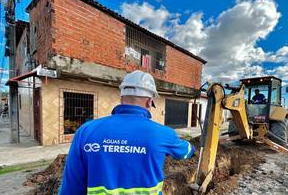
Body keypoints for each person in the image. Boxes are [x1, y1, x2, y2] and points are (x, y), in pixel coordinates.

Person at [59, 70, 195, 195]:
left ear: (121, 99)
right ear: (149, 102)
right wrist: (192, 148)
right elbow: (186, 152)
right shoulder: (164, 134)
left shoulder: (86, 131)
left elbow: (71, 187)